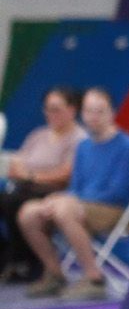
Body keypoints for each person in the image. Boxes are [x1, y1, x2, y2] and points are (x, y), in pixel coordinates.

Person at [17, 87, 129, 300]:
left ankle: (94, 278)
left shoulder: (126, 145)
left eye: (99, 111)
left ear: (112, 113)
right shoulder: (83, 147)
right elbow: (75, 187)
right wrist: (57, 199)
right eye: (89, 111)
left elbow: (119, 192)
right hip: (80, 205)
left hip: (113, 210)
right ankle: (55, 273)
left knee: (65, 209)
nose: (93, 117)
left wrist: (73, 202)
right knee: (30, 212)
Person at [0, 86, 84, 283]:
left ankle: (27, 261)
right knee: (10, 199)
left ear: (72, 110)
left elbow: (65, 173)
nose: (50, 114)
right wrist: (30, 175)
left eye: (56, 109)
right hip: (23, 188)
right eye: (47, 109)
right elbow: (15, 165)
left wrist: (30, 176)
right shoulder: (38, 135)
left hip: (56, 193)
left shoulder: (79, 139)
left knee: (13, 203)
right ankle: (5, 253)